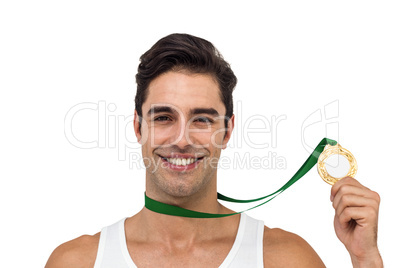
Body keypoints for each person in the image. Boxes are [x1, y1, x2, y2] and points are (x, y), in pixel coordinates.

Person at [45, 33, 383, 267]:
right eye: (163, 117)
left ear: (227, 131)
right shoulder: (77, 262)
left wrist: (365, 259)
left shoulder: (285, 259)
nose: (181, 138)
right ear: (137, 127)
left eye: (202, 120)